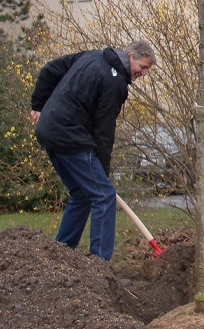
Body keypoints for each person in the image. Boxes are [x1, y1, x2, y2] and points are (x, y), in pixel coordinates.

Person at [30, 41, 155, 260]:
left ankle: (61, 253)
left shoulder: (92, 56)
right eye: (142, 67)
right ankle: (99, 264)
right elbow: (104, 131)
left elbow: (50, 69)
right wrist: (102, 172)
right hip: (69, 136)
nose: (143, 73)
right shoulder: (115, 83)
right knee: (103, 196)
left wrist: (39, 106)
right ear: (130, 56)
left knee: (82, 194)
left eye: (147, 70)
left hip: (48, 130)